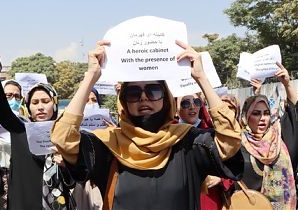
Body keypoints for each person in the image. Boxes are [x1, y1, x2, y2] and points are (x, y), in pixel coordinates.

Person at [51, 40, 243, 209]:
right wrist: (90, 77)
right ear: (124, 101)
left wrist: (201, 78)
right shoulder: (108, 145)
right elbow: (63, 137)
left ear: (166, 99)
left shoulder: (187, 142)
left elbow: (230, 142)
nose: (144, 97)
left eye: (153, 90)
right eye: (133, 93)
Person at [0, 45, 69, 210]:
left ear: (55, 105)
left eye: (45, 101)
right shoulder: (20, 129)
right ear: (28, 107)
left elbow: (78, 175)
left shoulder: (65, 133)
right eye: (35, 103)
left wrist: (66, 164)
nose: (40, 107)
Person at [237, 62, 298, 209]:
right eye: (256, 113)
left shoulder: (280, 137)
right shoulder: (238, 143)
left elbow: (295, 114)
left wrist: (287, 84)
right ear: (245, 117)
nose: (262, 118)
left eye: (266, 113)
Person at [176, 93, 234, 210]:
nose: (192, 107)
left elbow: (233, 167)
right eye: (185, 103)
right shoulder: (167, 137)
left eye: (196, 102)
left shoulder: (212, 134)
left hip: (209, 201)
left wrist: (220, 179)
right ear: (175, 108)